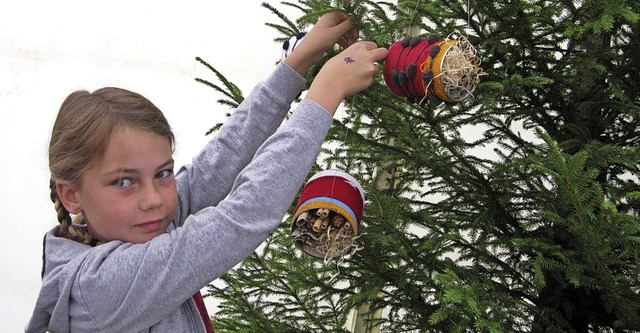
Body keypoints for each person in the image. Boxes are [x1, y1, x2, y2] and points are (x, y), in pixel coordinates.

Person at [25, 12, 388, 333]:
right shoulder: (98, 288)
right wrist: (325, 92)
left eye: (163, 173)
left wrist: (295, 65)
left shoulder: (130, 226)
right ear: (71, 194)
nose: (154, 199)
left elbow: (220, 160)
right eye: (124, 182)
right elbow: (238, 219)